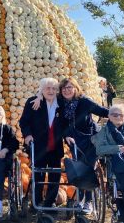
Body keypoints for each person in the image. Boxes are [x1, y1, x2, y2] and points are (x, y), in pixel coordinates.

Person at [31, 77, 108, 213]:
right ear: (61, 91)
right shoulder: (60, 101)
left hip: (90, 139)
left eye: (70, 87)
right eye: (64, 88)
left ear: (76, 88)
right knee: (78, 169)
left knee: (88, 168)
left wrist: (120, 117)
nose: (67, 90)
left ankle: (88, 201)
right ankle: (80, 199)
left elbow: (103, 111)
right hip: (73, 140)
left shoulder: (84, 101)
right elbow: (46, 93)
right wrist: (38, 97)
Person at [19, 78, 69, 210]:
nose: (51, 91)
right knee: (38, 174)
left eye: (53, 88)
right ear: (42, 90)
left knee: (55, 175)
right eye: (48, 88)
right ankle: (36, 202)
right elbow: (24, 122)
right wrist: (28, 135)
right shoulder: (33, 102)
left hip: (55, 146)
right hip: (39, 146)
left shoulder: (61, 103)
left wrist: (68, 136)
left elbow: (65, 123)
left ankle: (50, 202)